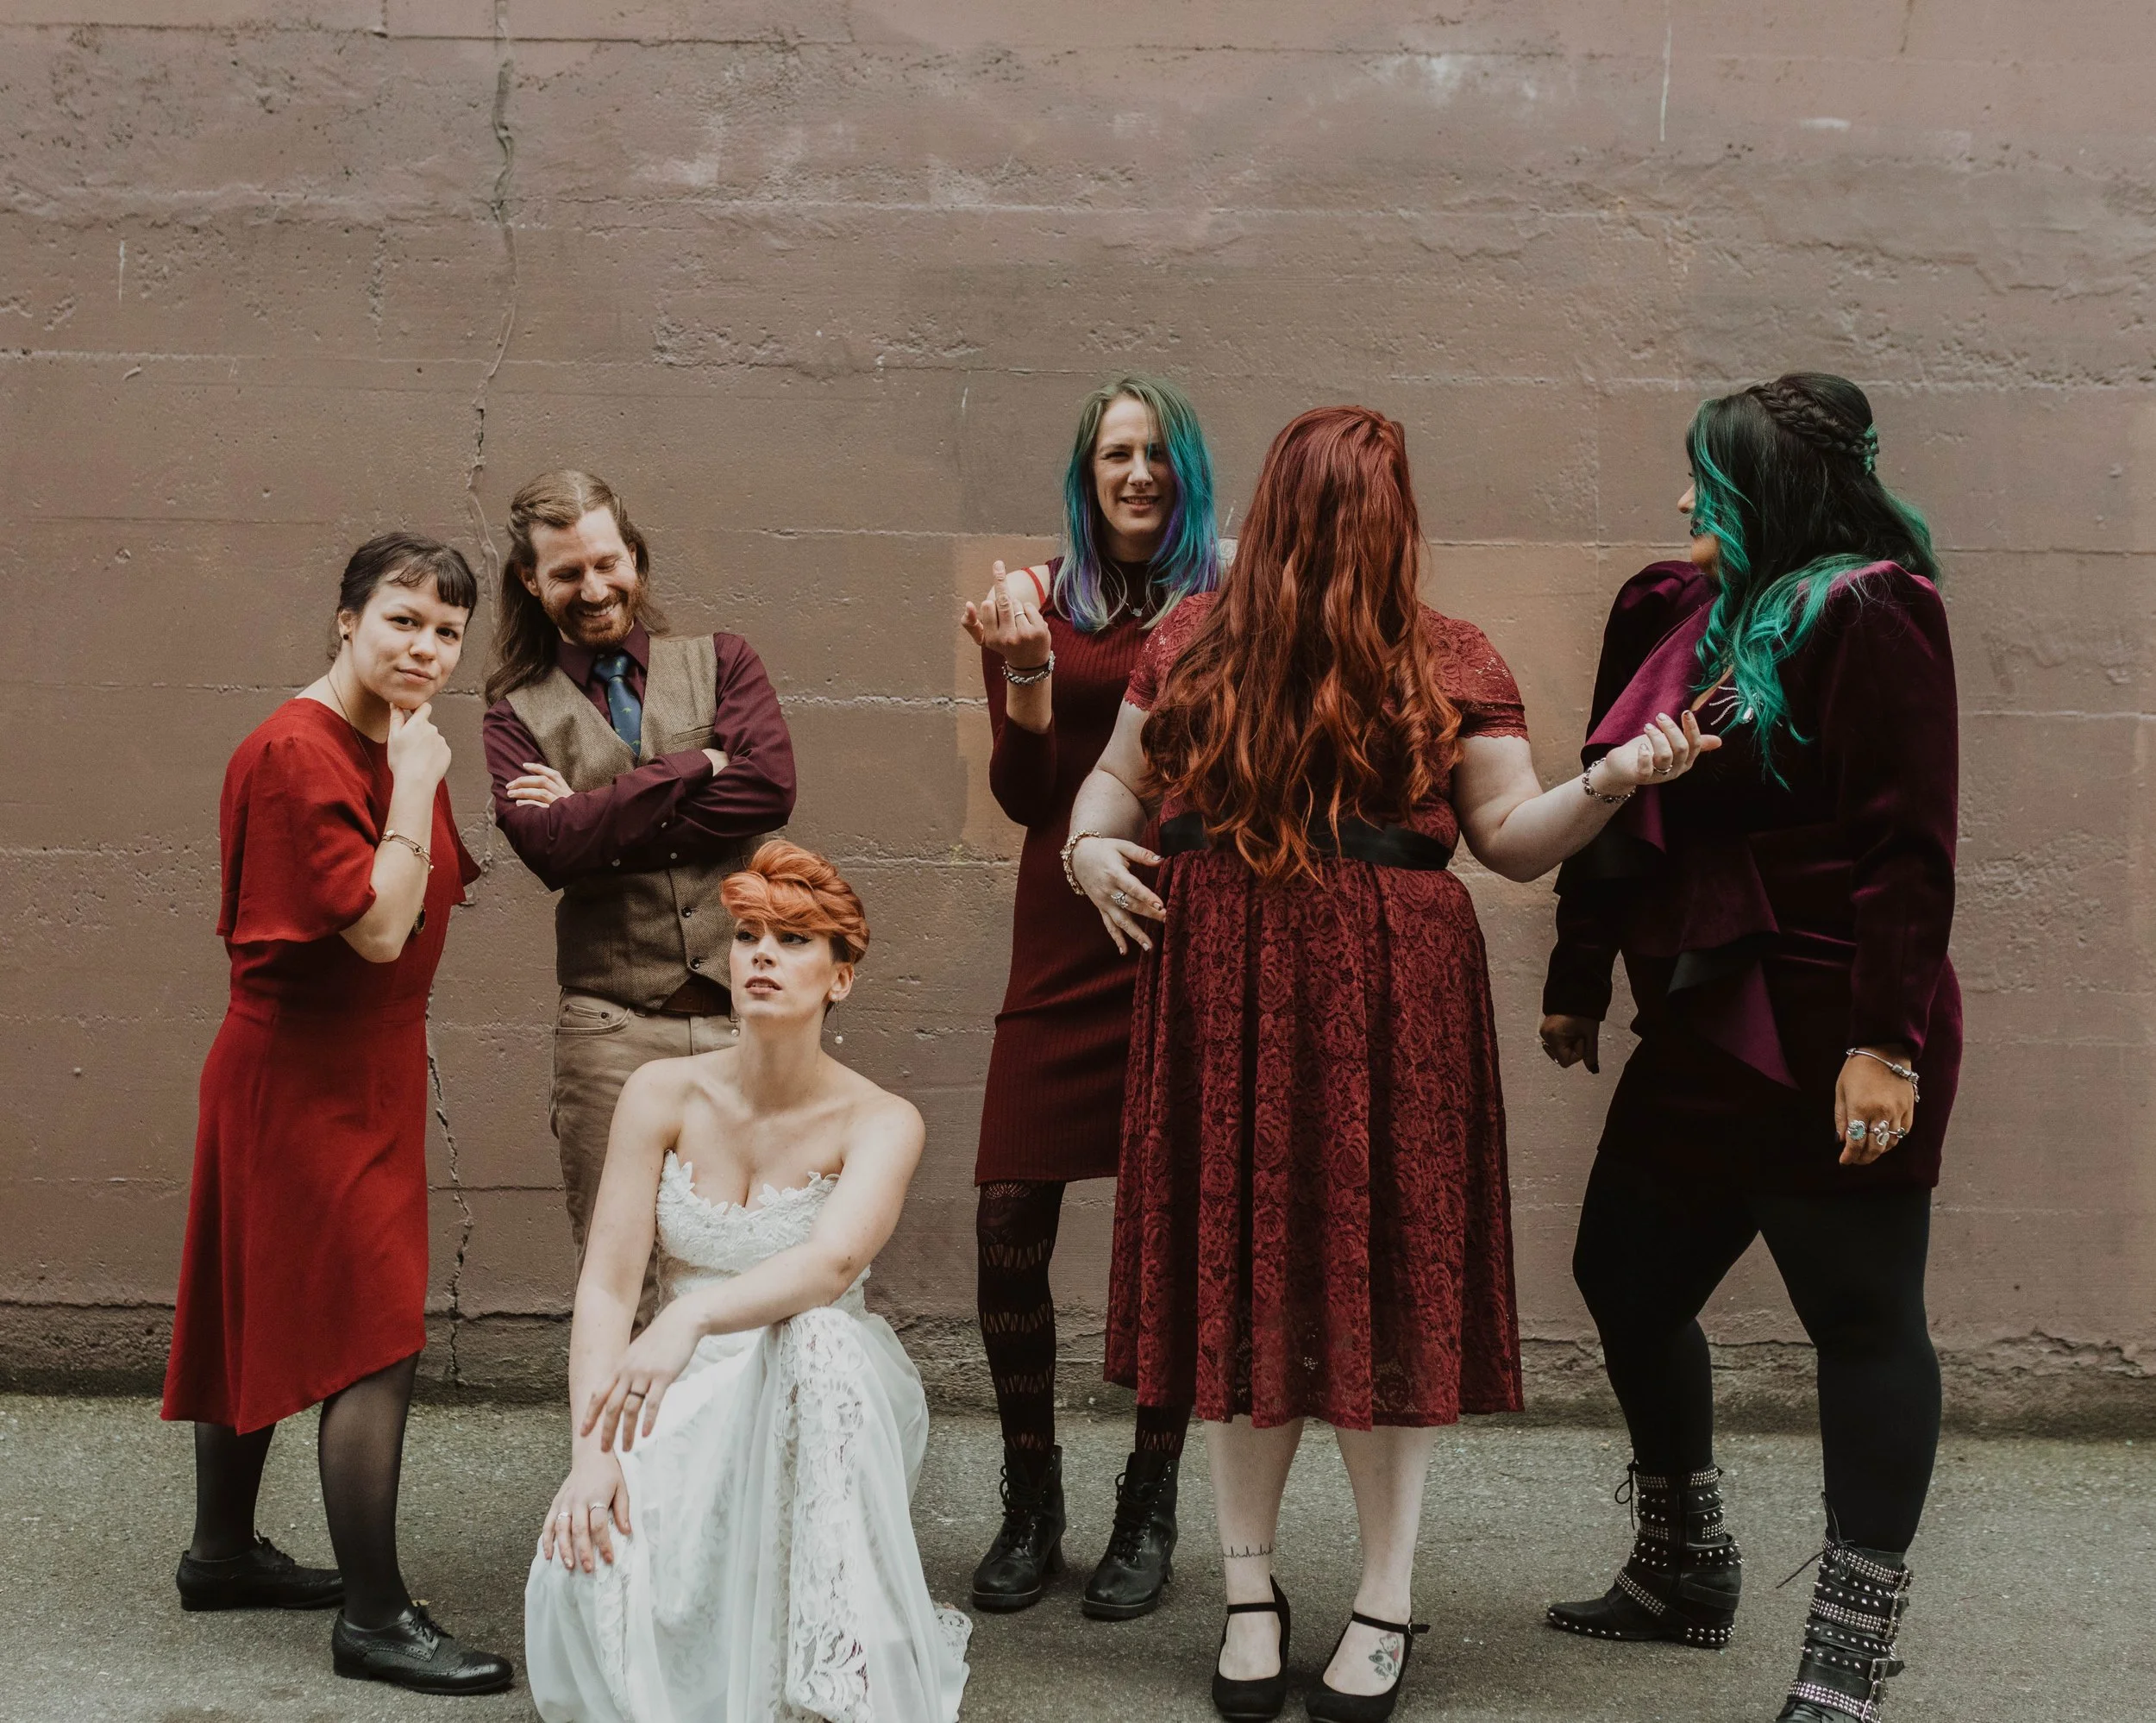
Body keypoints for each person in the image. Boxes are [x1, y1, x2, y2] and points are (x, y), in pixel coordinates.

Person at [1065, 405, 1715, 1722]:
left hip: (1391, 1002)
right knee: (1246, 1289)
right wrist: (1087, 850)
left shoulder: (1450, 654)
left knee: (1381, 1294)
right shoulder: (1190, 641)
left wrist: (1611, 782)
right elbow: (1104, 792)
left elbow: (1511, 839)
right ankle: (1250, 1589)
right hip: (1226, 988)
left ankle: (1384, 1593)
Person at [1538, 374, 1957, 1723]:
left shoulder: (1874, 608)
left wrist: (1887, 1043)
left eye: (1704, 480)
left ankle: (1843, 1661)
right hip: (1705, 1012)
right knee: (1624, 1269)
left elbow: (1908, 847)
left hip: (1834, 1017)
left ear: (1767, 488)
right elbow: (1612, 801)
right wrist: (1581, 970)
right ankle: (1683, 1566)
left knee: (1862, 1318)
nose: (1680, 503)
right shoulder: (1674, 613)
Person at [161, 534, 512, 1695]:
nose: (426, 647)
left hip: (365, 1067)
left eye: (448, 631)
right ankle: (374, 1615)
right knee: (375, 1331)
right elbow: (373, 924)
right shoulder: (302, 751)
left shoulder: (391, 735)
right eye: (403, 620)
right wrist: (413, 784)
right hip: (299, 1073)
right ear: (347, 619)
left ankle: (219, 1553)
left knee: (253, 1299)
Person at [523, 841, 971, 1723]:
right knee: (593, 1571)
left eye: (795, 940)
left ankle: (832, 1678)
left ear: (840, 979)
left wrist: (689, 1321)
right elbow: (611, 1288)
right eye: (750, 935)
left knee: (816, 1332)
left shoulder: (882, 1119)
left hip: (820, 1391)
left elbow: (832, 1264)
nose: (762, 954)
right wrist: (592, 1456)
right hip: (673, 1389)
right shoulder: (661, 1092)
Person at [959, 375, 1224, 1621]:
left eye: (1158, 456)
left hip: (1186, 932)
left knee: (1172, 1234)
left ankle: (1150, 1503)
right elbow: (1025, 794)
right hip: (1058, 938)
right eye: (1117, 454)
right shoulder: (1042, 600)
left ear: (1187, 474)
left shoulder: (1230, 602)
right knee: (1008, 1217)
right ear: (1087, 471)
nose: (1138, 474)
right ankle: (1031, 1496)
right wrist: (1020, 672)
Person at [482, 470, 796, 1301]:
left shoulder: (724, 661)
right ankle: (612, 1440)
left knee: (749, 1267)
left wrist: (596, 818)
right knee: (618, 1278)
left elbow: (767, 792)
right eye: (566, 573)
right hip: (609, 1031)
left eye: (606, 563)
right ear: (530, 580)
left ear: (635, 556)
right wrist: (695, 767)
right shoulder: (513, 714)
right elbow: (551, 851)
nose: (593, 588)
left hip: (745, 1021)